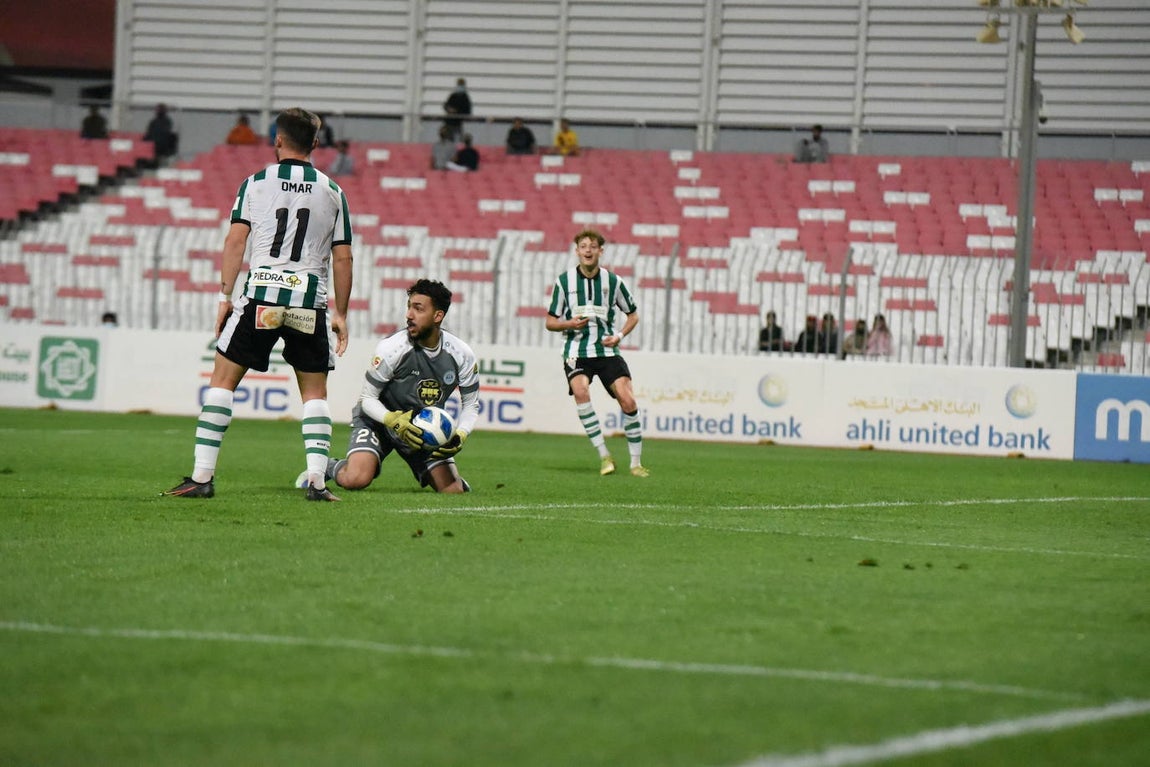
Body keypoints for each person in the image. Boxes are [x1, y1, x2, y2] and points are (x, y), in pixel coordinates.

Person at [164, 107, 354, 502]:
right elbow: (343, 256)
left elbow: (236, 241)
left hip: (262, 298)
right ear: (316, 144)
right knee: (315, 394)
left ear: (278, 141)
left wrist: (224, 297)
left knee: (222, 383)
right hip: (307, 303)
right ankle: (318, 482)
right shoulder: (333, 191)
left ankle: (202, 478)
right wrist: (341, 313)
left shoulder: (256, 183)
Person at [300, 279, 480, 495]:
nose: (409, 315)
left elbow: (471, 404)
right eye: (409, 306)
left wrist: (461, 433)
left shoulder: (461, 354)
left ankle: (448, 478)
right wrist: (392, 420)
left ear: (438, 316)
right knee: (356, 479)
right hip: (378, 422)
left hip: (420, 429)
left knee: (453, 491)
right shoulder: (392, 348)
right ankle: (327, 466)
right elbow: (367, 399)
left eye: (418, 308)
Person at [545, 229, 648, 477]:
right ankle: (604, 456)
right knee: (580, 391)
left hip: (606, 350)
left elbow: (633, 314)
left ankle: (636, 463)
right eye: (583, 246)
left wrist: (620, 336)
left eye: (593, 246)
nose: (588, 250)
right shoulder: (564, 282)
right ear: (577, 251)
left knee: (628, 400)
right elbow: (550, 321)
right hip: (576, 350)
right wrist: (569, 324)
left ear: (601, 251)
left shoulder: (613, 282)